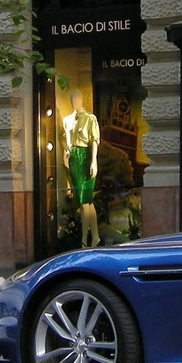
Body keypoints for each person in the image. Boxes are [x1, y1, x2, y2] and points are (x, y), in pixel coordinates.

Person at [62, 91, 101, 248]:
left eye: (77, 99)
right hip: (74, 158)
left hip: (86, 157)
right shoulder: (67, 120)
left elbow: (94, 141)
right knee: (85, 201)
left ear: (82, 99)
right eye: (72, 99)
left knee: (86, 201)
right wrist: (67, 152)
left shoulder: (91, 119)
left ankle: (85, 239)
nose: (74, 102)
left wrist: (93, 161)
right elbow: (67, 141)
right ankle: (95, 236)